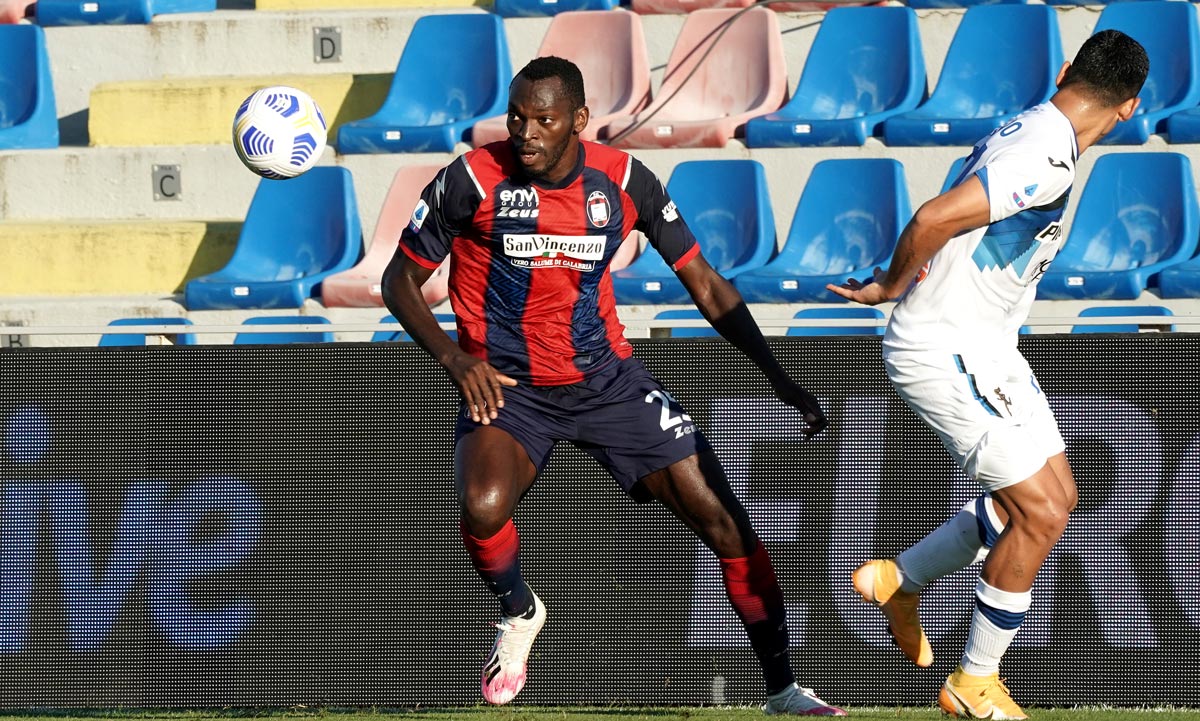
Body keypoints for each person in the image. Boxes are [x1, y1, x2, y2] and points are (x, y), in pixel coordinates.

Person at [382, 56, 843, 716]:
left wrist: (778, 377)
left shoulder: (625, 181)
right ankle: (519, 610)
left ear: (578, 120)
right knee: (482, 506)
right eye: (516, 118)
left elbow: (706, 284)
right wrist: (456, 360)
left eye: (543, 120)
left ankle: (784, 689)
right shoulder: (471, 179)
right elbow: (398, 280)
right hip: (509, 388)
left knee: (726, 523)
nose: (526, 134)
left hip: (608, 383)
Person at [828, 30, 1148, 720]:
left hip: (988, 345)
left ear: (1064, 71)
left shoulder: (1039, 129)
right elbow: (933, 217)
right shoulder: (1045, 156)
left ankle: (900, 579)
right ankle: (974, 681)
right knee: (1040, 512)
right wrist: (888, 286)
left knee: (1054, 495)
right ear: (1130, 108)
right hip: (945, 347)